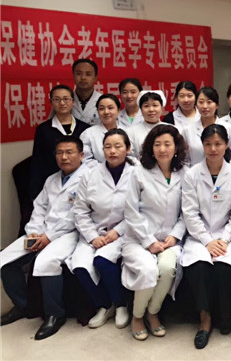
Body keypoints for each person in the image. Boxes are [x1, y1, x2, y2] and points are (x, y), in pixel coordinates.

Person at [1, 136, 89, 340]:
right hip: (42, 230)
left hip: (71, 233)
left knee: (46, 261)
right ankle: (24, 305)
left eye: (69, 152)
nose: (64, 157)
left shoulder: (88, 178)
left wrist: (49, 237)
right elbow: (39, 208)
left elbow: (77, 215)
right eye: (60, 153)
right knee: (5, 260)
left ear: (81, 155)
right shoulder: (51, 179)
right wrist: (33, 231)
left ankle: (55, 314)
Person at [121, 125, 188, 341]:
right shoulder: (138, 173)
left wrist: (175, 236)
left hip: (169, 240)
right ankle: (137, 316)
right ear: (150, 148)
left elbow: (187, 211)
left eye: (167, 144)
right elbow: (131, 211)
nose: (162, 149)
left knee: (167, 269)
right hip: (139, 239)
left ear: (176, 147)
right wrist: (148, 241)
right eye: (157, 144)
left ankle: (152, 312)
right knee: (148, 270)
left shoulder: (185, 174)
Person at [181, 124, 231, 349]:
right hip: (199, 236)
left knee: (224, 267)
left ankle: (225, 315)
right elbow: (189, 212)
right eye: (208, 144)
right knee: (199, 267)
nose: (213, 149)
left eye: (218, 144)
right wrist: (207, 241)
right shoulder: (192, 175)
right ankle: (205, 320)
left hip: (227, 236)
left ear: (226, 145)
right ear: (202, 146)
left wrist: (223, 240)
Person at [69, 129, 133, 329]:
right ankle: (104, 305)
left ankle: (121, 304)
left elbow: (141, 209)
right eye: (107, 147)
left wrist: (117, 231)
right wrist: (92, 236)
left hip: (124, 231)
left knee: (102, 260)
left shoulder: (137, 173)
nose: (112, 151)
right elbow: (80, 210)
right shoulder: (90, 175)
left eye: (118, 146)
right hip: (94, 230)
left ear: (128, 149)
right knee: (79, 266)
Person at [29, 85, 90, 200]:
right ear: (51, 103)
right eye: (57, 99)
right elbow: (38, 161)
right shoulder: (43, 129)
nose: (62, 103)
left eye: (66, 99)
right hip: (52, 184)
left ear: (73, 102)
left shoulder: (85, 128)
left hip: (81, 183)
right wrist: (35, 193)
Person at [182, 87, 231, 166]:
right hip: (195, 172)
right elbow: (184, 159)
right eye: (201, 102)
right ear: (196, 105)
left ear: (217, 105)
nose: (205, 106)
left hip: (223, 171)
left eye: (209, 102)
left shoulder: (228, 128)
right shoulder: (187, 130)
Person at [126, 90, 171, 159]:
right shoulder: (131, 132)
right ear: (141, 110)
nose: (151, 109)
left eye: (155, 105)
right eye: (146, 106)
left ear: (162, 108)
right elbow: (130, 157)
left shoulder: (171, 129)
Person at [80, 94, 121, 164]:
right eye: (101, 109)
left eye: (110, 108)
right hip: (96, 170)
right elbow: (85, 160)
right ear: (97, 112)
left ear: (119, 110)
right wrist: (105, 168)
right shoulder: (88, 134)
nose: (106, 112)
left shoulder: (127, 132)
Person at [71, 58, 102, 125]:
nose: (83, 78)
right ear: (73, 76)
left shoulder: (103, 100)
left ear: (95, 77)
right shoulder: (64, 100)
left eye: (88, 74)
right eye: (79, 74)